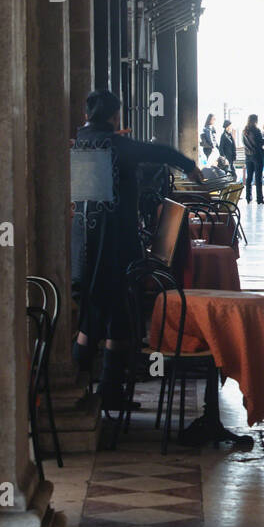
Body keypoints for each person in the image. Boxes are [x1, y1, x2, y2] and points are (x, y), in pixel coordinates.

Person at [71, 89, 202, 409]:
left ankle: (80, 389)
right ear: (115, 116)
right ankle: (109, 392)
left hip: (84, 245)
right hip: (114, 244)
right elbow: (160, 153)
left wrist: (114, 138)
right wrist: (189, 165)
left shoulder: (82, 141)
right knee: (119, 316)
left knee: (91, 316)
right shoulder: (118, 144)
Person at [242, 114, 264, 204]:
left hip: (248, 156)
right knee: (258, 177)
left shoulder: (244, 131)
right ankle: (259, 198)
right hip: (257, 155)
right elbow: (262, 142)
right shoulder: (257, 130)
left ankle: (248, 197)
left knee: (249, 177)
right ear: (256, 121)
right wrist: (263, 132)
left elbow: (245, 144)